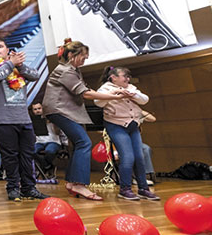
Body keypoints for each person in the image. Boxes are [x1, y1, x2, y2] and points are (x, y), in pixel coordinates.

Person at [42, 39, 126, 201]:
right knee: (84, 142)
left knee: (79, 143)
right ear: (71, 55)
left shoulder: (73, 70)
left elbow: (86, 89)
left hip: (63, 111)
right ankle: (79, 184)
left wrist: (111, 94)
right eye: (83, 56)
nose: (85, 59)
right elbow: (85, 94)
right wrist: (113, 97)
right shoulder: (65, 71)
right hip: (59, 110)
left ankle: (72, 183)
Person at [0, 38, 48, 201]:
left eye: (0, 46)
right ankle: (13, 187)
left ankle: (29, 188)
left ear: (7, 50)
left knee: (27, 155)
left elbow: (35, 75)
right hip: (1, 119)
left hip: (23, 118)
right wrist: (10, 63)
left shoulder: (18, 67)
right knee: (10, 156)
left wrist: (19, 65)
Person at [94, 66, 159, 201]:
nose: (128, 79)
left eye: (128, 77)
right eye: (125, 76)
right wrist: (115, 93)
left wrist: (133, 95)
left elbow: (144, 99)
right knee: (128, 157)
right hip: (116, 125)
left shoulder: (131, 88)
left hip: (133, 125)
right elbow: (98, 102)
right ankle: (125, 189)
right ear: (114, 78)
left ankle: (143, 189)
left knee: (139, 157)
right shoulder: (105, 89)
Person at [30, 102, 67, 179]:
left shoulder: (52, 118)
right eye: (35, 109)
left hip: (53, 141)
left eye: (39, 108)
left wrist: (65, 144)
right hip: (39, 142)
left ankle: (44, 167)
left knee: (49, 151)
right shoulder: (32, 121)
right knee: (32, 151)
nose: (37, 111)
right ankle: (48, 166)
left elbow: (62, 132)